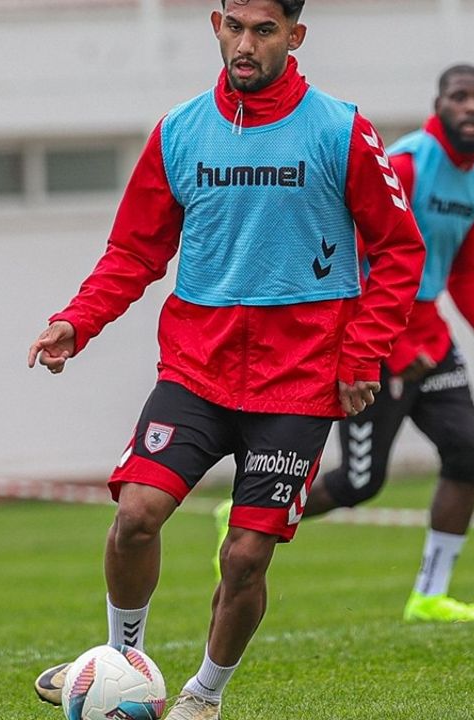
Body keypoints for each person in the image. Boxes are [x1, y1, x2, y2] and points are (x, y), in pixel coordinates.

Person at [27, 0, 425, 717]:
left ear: (294, 37)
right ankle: (122, 663)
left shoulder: (340, 130)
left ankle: (203, 698)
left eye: (264, 31)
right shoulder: (180, 131)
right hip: (196, 370)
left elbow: (400, 249)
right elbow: (135, 250)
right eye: (235, 28)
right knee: (136, 516)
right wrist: (75, 322)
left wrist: (362, 354)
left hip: (297, 383)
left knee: (244, 558)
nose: (246, 45)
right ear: (216, 25)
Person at [221, 64, 474, 624]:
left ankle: (430, 594)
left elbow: (462, 274)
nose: (472, 108)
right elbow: (360, 258)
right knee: (360, 483)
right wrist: (376, 349)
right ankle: (244, 514)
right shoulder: (407, 166)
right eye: (459, 97)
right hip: (380, 340)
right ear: (438, 104)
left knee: (468, 454)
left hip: (433, 340)